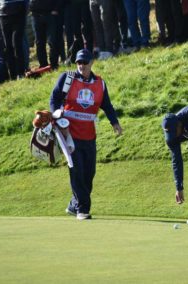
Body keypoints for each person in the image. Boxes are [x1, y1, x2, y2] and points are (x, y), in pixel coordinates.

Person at [49, 49, 123, 220]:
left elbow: (107, 105)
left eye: (84, 62)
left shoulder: (100, 83)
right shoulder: (67, 78)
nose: (81, 66)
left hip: (89, 135)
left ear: (91, 63)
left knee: (89, 173)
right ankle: (83, 209)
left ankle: (74, 205)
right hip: (69, 133)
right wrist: (57, 113)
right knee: (77, 171)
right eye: (78, 63)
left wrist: (115, 123)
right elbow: (54, 99)